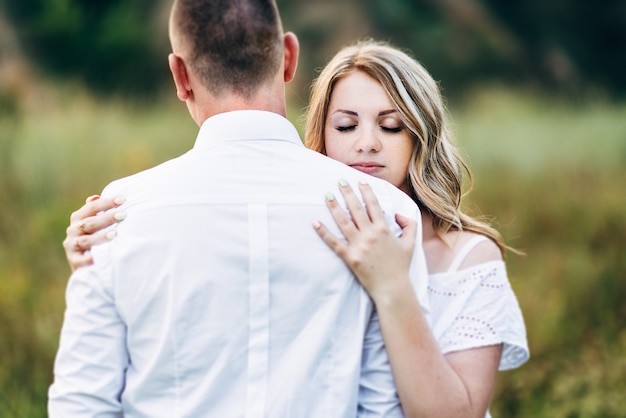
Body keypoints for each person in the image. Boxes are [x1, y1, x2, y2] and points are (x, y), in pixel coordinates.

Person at [62, 40, 529, 417]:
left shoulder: (468, 256)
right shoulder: (307, 224)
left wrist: (393, 287)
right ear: (321, 135)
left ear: (420, 136)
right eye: (345, 126)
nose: (366, 143)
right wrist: (107, 252)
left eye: (390, 126)